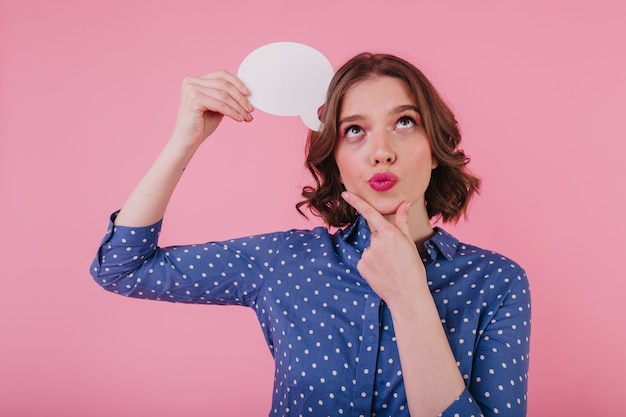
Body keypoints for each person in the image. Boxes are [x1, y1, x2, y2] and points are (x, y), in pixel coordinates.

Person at [90, 52, 531, 417]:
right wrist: (184, 140)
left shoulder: (496, 282)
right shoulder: (284, 262)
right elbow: (122, 267)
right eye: (354, 130)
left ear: (435, 150)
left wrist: (410, 296)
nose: (381, 152)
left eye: (404, 122)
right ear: (335, 158)